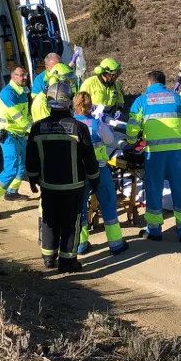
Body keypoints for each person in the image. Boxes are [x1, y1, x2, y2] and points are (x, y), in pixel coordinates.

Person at [26, 81, 100, 273]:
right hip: (73, 186)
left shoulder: (37, 128)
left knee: (49, 220)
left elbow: (31, 157)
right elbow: (89, 157)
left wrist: (33, 179)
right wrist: (95, 179)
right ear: (69, 102)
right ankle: (67, 261)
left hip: (48, 185)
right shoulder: (79, 128)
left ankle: (49, 258)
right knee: (70, 222)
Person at [126, 71, 181, 242]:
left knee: (154, 189)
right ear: (164, 83)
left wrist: (132, 141)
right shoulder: (177, 98)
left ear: (149, 83)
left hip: (154, 154)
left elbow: (133, 127)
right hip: (177, 152)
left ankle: (155, 230)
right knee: (180, 189)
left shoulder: (141, 100)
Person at [73, 91, 129, 256]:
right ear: (91, 106)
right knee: (109, 205)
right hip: (99, 169)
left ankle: (81, 245)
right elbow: (110, 141)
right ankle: (116, 244)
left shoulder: (69, 124)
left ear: (74, 106)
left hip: (78, 172)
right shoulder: (97, 124)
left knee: (80, 207)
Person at [0, 65, 31, 219]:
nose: (25, 77)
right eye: (21, 75)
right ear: (13, 76)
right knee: (10, 170)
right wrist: (34, 130)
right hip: (8, 135)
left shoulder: (22, 91)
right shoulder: (8, 93)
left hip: (20, 135)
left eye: (25, 74)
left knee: (21, 166)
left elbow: (26, 115)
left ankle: (11, 192)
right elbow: (19, 118)